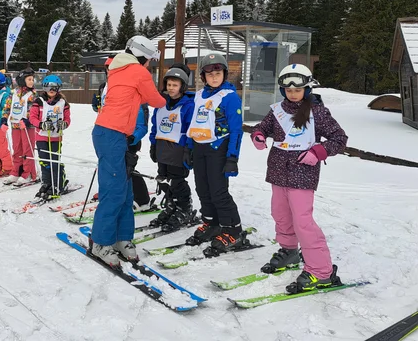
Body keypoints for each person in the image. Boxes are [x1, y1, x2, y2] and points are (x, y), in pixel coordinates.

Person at [251, 64, 348, 293]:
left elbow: (339, 139)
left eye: (298, 89)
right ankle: (289, 251)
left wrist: (317, 152)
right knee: (281, 215)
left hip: (303, 175)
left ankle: (321, 271)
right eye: (288, 89)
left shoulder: (317, 112)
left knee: (303, 222)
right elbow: (262, 127)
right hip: (278, 172)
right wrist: (258, 135)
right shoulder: (277, 110)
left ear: (307, 87)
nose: (293, 93)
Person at [90, 36, 166, 266]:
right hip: (111, 134)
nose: (149, 65)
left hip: (115, 134)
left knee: (125, 190)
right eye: (149, 60)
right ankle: (101, 242)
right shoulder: (137, 71)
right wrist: (169, 99)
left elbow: (137, 96)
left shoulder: (118, 68)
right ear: (142, 56)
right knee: (113, 190)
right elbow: (155, 100)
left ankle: (122, 237)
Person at [185, 53, 244, 253]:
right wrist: (188, 148)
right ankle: (212, 223)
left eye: (218, 73)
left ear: (224, 74)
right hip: (200, 147)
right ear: (203, 77)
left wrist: (232, 157)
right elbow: (193, 123)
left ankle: (233, 229)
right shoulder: (200, 95)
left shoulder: (229, 97)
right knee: (202, 188)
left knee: (219, 191)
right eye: (210, 74)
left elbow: (236, 130)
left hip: (219, 148)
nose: (214, 77)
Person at [93, 56, 153, 210]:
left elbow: (143, 122)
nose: (109, 71)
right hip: (109, 134)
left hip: (128, 137)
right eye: (107, 68)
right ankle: (110, 193)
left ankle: (142, 199)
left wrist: (133, 137)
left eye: (112, 68)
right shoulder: (104, 86)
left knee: (127, 169)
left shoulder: (133, 87)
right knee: (108, 167)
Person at [149, 65, 196, 232]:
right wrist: (153, 144)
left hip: (178, 149)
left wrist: (188, 150)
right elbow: (155, 125)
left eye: (174, 85)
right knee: (163, 179)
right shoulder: (161, 104)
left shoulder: (188, 105)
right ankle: (171, 206)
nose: (171, 88)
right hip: (162, 147)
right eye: (168, 85)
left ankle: (184, 209)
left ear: (182, 86)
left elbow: (191, 129)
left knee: (177, 181)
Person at [29, 75, 71, 199]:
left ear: (58, 88)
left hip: (55, 137)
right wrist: (41, 124)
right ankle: (47, 182)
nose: (51, 90)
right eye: (48, 87)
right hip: (42, 136)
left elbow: (67, 118)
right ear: (44, 88)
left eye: (54, 87)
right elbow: (32, 118)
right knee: (44, 161)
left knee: (54, 161)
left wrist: (64, 124)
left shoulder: (63, 103)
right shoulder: (39, 101)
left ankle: (58, 184)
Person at [2, 68, 38, 185]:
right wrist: (4, 119)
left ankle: (28, 173)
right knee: (17, 148)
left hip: (28, 126)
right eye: (29, 79)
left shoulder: (33, 95)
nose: (32, 81)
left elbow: (34, 110)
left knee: (28, 149)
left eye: (32, 79)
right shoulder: (13, 93)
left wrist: (28, 120)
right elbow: (7, 106)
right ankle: (16, 171)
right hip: (15, 124)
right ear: (22, 80)